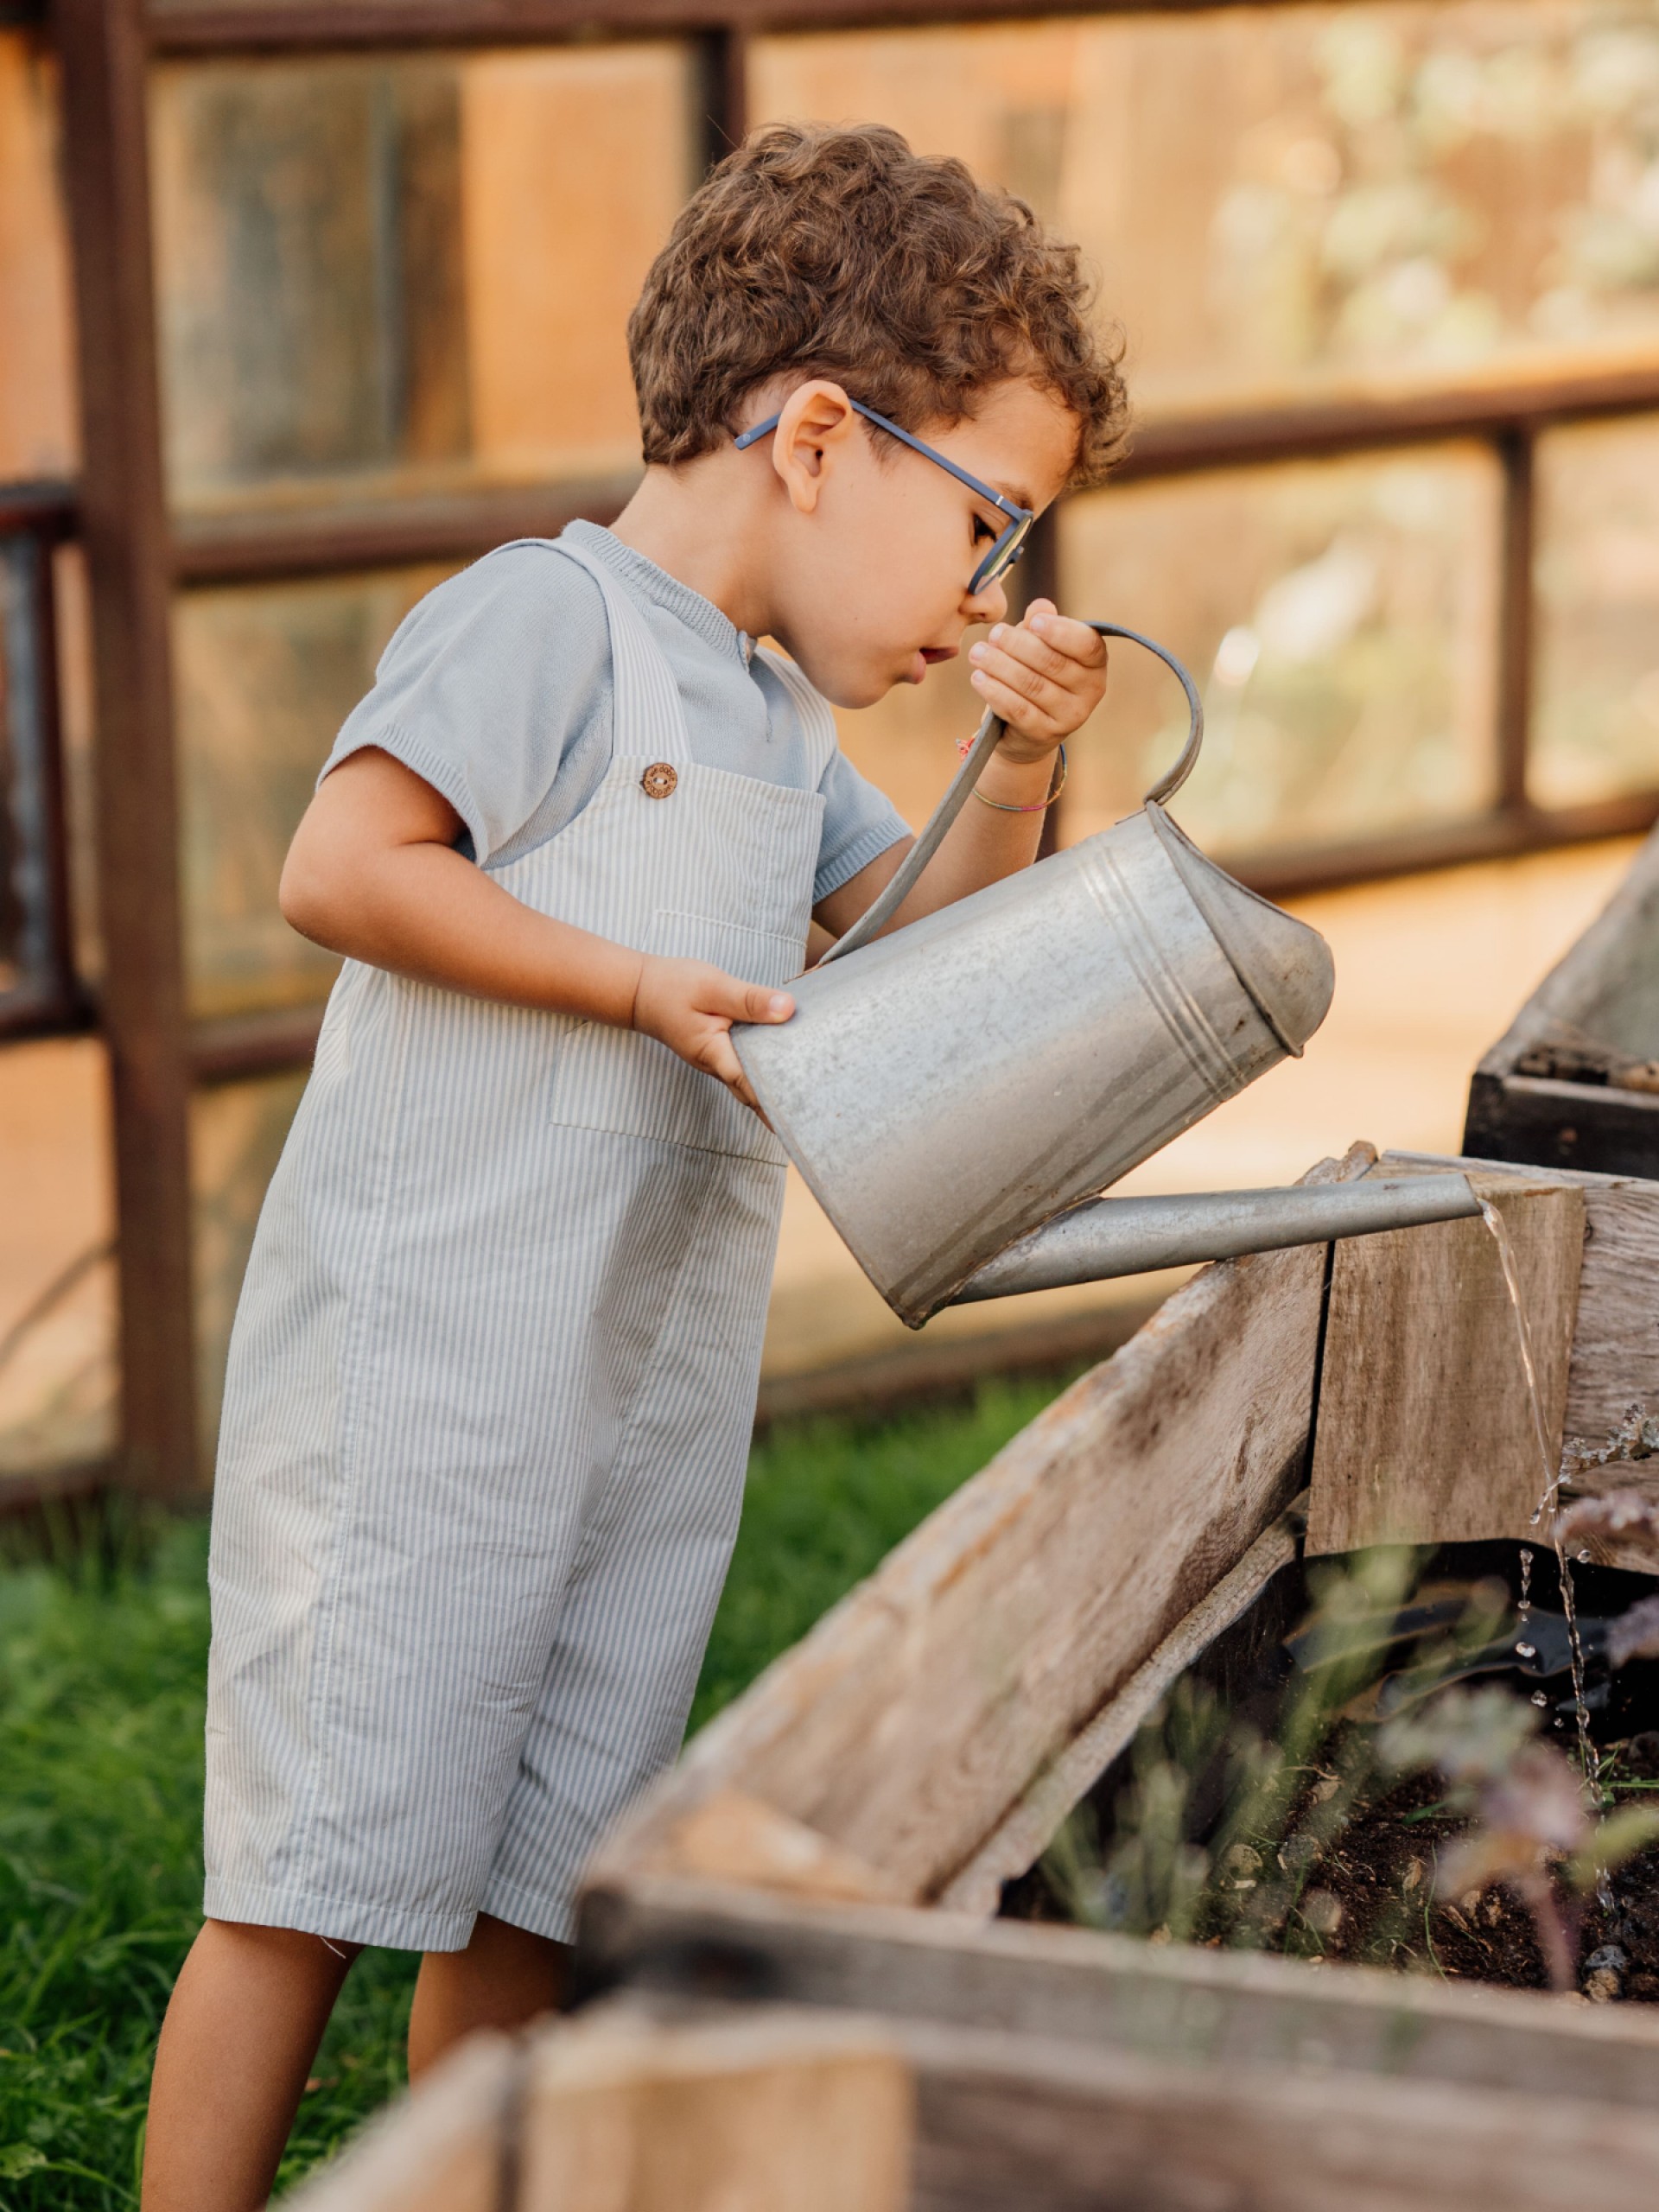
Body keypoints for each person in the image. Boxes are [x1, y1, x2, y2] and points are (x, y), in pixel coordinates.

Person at [141, 119, 1128, 2210]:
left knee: (539, 1886)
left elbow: (919, 971)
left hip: (631, 1411)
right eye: (985, 522)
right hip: (424, 1391)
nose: (989, 590)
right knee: (313, 1877)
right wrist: (627, 983)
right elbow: (343, 862)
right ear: (818, 438)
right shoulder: (545, 620)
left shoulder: (777, 718)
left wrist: (1022, 759)